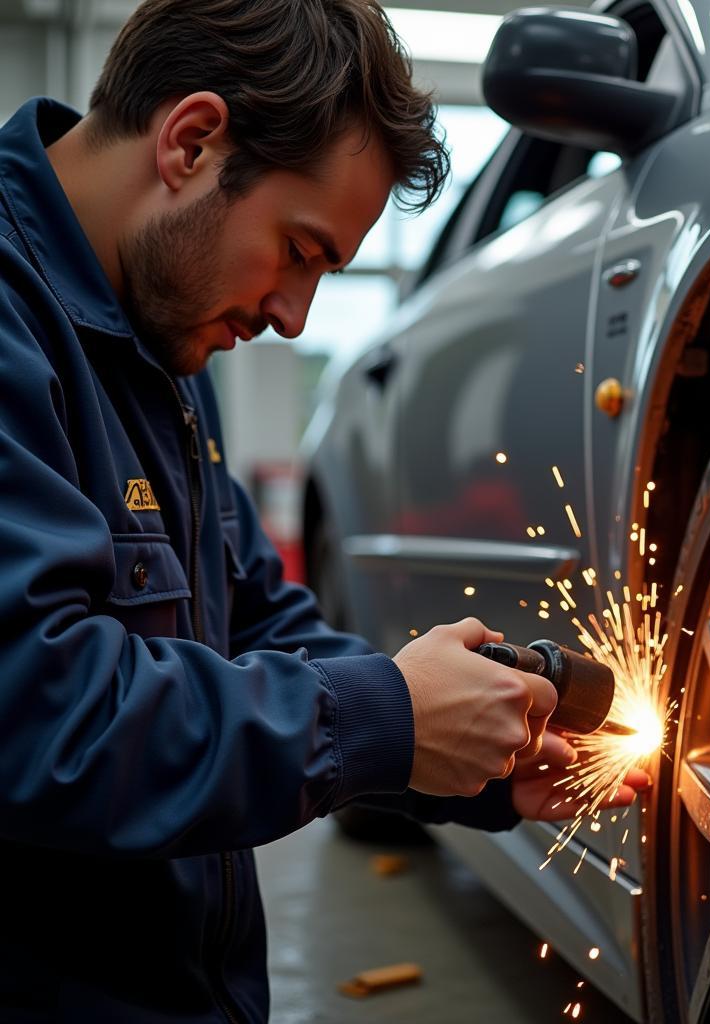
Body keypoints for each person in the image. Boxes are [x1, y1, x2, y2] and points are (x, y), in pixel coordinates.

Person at [0, 0, 649, 1019]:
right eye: (299, 250)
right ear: (192, 141)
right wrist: (385, 718)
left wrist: (465, 761)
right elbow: (37, 711)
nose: (293, 318)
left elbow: (256, 619)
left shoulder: (159, 336)